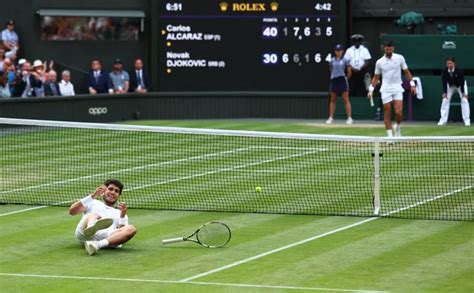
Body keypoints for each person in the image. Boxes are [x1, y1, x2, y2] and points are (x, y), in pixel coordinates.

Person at [68, 179, 137, 256]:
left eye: (116, 191)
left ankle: (97, 245)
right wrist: (93, 196)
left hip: (105, 236)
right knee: (94, 215)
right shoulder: (93, 202)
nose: (113, 192)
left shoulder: (120, 213)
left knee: (131, 228)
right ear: (104, 190)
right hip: (85, 233)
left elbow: (121, 235)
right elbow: (72, 211)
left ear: (119, 195)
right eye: (110, 189)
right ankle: (91, 227)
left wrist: (122, 216)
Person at [368, 41, 416, 137]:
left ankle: (397, 127)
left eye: (390, 49)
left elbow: (406, 72)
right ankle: (390, 137)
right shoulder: (379, 62)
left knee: (399, 113)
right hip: (385, 88)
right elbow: (376, 77)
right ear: (384, 48)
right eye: (387, 48)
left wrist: (412, 84)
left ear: (393, 48)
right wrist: (371, 90)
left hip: (397, 87)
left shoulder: (400, 58)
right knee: (387, 111)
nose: (389, 50)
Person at [438, 57, 470, 126]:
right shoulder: (445, 71)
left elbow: (462, 82)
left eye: (450, 63)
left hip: (460, 85)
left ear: (454, 64)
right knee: (445, 100)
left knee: (464, 100)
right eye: (447, 63)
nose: (448, 65)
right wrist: (445, 93)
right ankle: (443, 120)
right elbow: (444, 82)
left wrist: (463, 93)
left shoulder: (459, 71)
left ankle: (467, 120)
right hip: (450, 85)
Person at [326, 44, 353, 124]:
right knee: (333, 99)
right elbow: (331, 69)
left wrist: (345, 78)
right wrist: (333, 75)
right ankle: (330, 117)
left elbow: (349, 72)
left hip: (342, 80)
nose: (338, 52)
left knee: (345, 99)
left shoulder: (345, 60)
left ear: (342, 51)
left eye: (339, 51)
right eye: (336, 51)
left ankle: (349, 118)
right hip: (334, 80)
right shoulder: (332, 60)